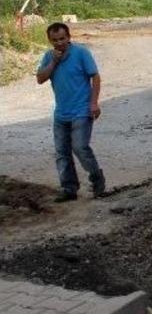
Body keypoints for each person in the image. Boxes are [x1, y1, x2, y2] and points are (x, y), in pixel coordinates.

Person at [36, 22, 105, 203]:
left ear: (69, 37)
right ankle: (69, 188)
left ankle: (96, 178)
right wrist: (54, 62)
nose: (59, 43)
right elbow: (40, 78)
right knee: (62, 152)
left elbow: (95, 77)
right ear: (49, 40)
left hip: (81, 110)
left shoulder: (81, 53)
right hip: (61, 113)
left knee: (80, 147)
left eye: (62, 39)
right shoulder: (49, 56)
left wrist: (94, 103)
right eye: (55, 40)